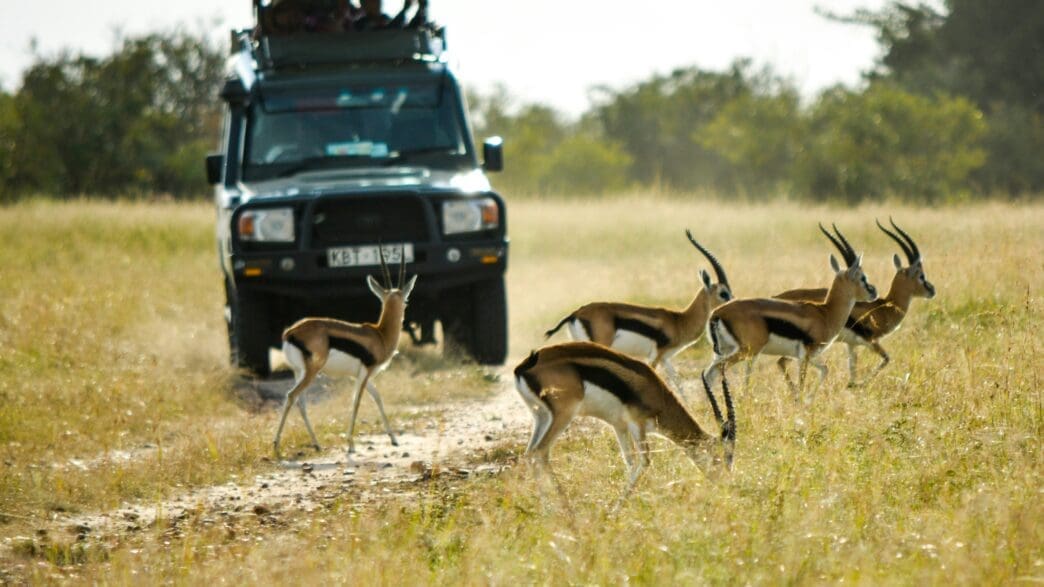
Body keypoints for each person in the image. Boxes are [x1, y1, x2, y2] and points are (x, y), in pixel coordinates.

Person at [351, 0, 428, 31]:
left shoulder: (386, 19)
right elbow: (388, 33)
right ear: (363, 4)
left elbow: (406, 31)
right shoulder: (360, 24)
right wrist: (405, 9)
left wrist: (421, 10)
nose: (378, 3)